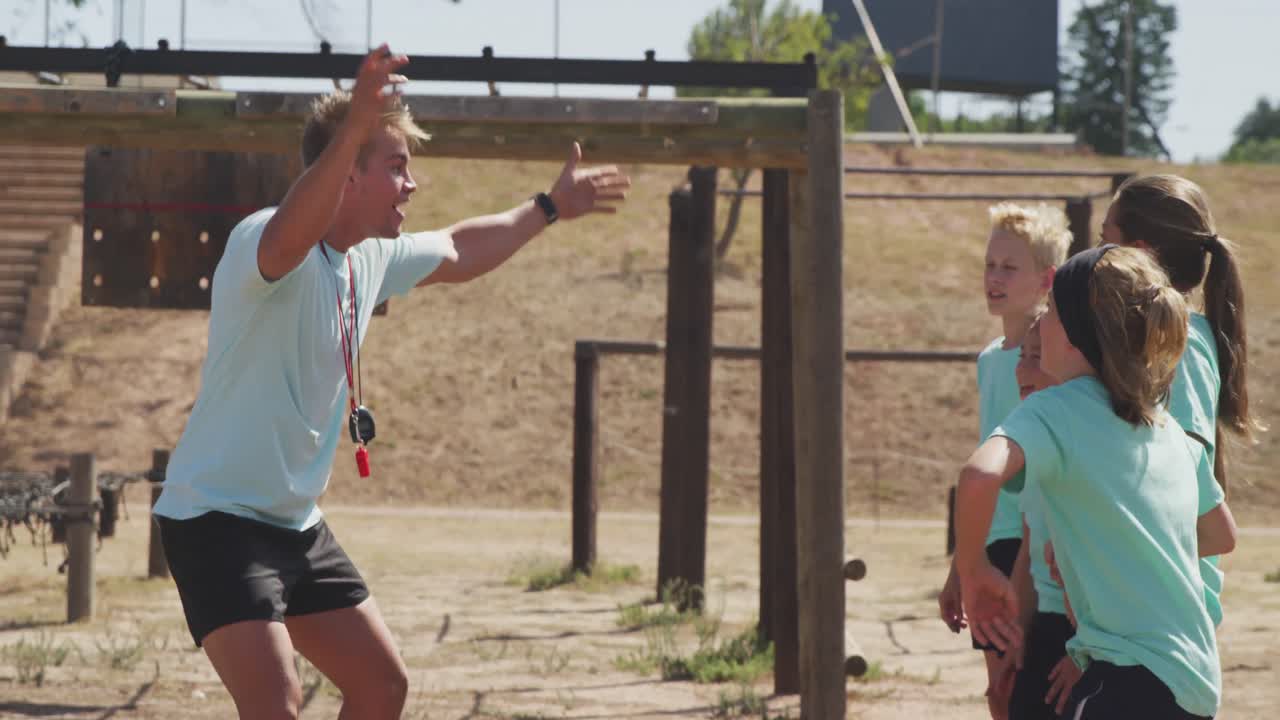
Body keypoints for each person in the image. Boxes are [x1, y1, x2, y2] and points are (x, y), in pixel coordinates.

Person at [151, 46, 632, 719]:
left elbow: (462, 248)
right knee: (276, 703)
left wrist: (548, 206)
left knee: (382, 685)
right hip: (215, 520)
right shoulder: (264, 242)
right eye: (398, 166)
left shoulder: (369, 257)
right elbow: (293, 234)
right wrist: (354, 125)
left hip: (294, 525)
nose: (414, 184)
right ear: (347, 173)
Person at [956, 246, 1222, 719]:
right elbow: (1221, 534)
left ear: (1078, 334)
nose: (1042, 323)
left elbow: (979, 475)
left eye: (1054, 311)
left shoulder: (1056, 409)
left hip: (1128, 681)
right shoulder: (1168, 429)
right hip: (1193, 681)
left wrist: (973, 570)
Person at [1102, 174, 1254, 626]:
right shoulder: (1158, 343)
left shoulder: (1181, 351)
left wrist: (1107, 552)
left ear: (1141, 253)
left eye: (1104, 240)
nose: (1094, 258)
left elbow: (1184, 498)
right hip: (1142, 601)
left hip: (1163, 610)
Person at [938, 203, 1070, 719]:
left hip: (1034, 548)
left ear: (1046, 277)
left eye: (1008, 267)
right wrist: (961, 567)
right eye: (989, 264)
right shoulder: (991, 358)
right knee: (999, 692)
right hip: (990, 546)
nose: (993, 277)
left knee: (1025, 690)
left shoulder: (1055, 359)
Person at [1002, 314, 1081, 720]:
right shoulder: (1035, 442)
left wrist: (1084, 652)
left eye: (1038, 356)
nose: (1025, 368)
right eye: (1022, 355)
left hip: (1082, 636)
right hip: (1044, 629)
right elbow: (1030, 548)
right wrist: (1017, 635)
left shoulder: (1080, 449)